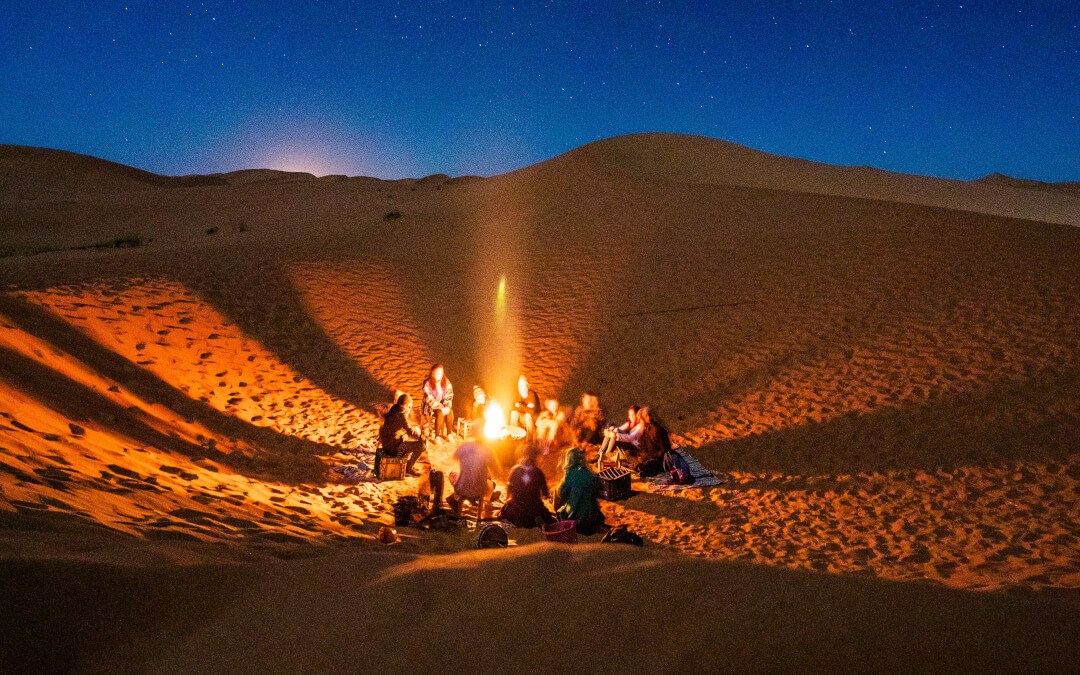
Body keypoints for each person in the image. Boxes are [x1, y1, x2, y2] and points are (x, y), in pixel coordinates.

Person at [447, 424, 502, 514]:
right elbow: (497, 471)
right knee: (491, 483)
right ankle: (486, 501)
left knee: (452, 475)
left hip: (462, 488)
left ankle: (457, 500)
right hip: (479, 490)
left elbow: (454, 457)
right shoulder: (487, 450)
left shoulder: (464, 447)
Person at [553, 447, 607, 536]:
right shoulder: (588, 473)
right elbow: (598, 488)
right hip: (593, 515)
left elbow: (562, 492)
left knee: (562, 508)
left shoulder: (571, 474)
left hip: (576, 518)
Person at [499, 443, 555, 528]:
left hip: (517, 507)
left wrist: (508, 501)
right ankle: (537, 519)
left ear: (524, 455)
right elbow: (545, 493)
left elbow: (509, 490)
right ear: (536, 456)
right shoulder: (538, 472)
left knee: (505, 510)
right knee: (545, 514)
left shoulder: (516, 471)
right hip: (533, 507)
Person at [378, 393, 427, 476]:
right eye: (409, 406)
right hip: (394, 447)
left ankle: (406, 463)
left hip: (388, 445)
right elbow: (410, 431)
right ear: (403, 405)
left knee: (407, 439)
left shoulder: (394, 409)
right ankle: (409, 467)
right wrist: (422, 437)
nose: (410, 409)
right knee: (421, 446)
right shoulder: (401, 415)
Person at [630, 407, 672, 478]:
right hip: (649, 456)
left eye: (640, 419)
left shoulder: (657, 430)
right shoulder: (646, 429)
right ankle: (637, 465)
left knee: (646, 466)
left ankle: (638, 467)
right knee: (629, 453)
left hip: (659, 459)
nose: (639, 421)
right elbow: (644, 446)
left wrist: (650, 456)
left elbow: (665, 450)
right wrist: (642, 455)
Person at [421, 364, 454, 442]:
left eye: (441, 373)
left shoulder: (446, 382)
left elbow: (449, 395)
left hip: (441, 405)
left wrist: (447, 406)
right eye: (437, 373)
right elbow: (429, 399)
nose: (439, 375)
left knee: (450, 412)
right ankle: (437, 437)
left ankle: (449, 434)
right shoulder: (427, 383)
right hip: (430, 407)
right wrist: (441, 407)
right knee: (440, 413)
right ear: (432, 373)